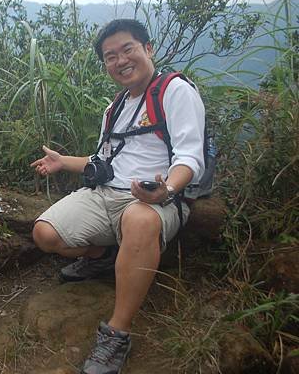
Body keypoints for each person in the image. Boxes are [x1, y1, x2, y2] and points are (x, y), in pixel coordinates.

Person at [30, 19, 205, 373]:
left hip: (155, 200)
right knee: (44, 232)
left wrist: (167, 189)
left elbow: (190, 158)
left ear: (148, 49)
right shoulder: (116, 107)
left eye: (128, 49)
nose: (121, 60)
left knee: (138, 218)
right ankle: (101, 256)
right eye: (111, 56)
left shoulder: (174, 91)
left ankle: (117, 333)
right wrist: (64, 162)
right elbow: (103, 161)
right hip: (106, 194)